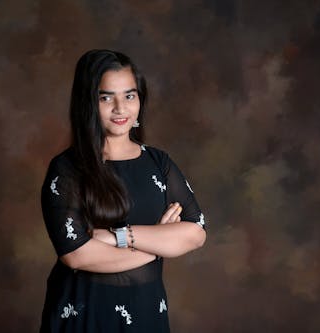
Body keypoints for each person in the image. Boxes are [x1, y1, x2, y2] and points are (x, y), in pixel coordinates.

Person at [39, 49, 206, 332]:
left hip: (146, 312)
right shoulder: (67, 168)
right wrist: (156, 246)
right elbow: (77, 254)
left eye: (129, 96)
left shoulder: (158, 163)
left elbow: (195, 232)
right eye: (106, 97)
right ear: (87, 103)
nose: (121, 108)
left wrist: (117, 236)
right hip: (84, 314)